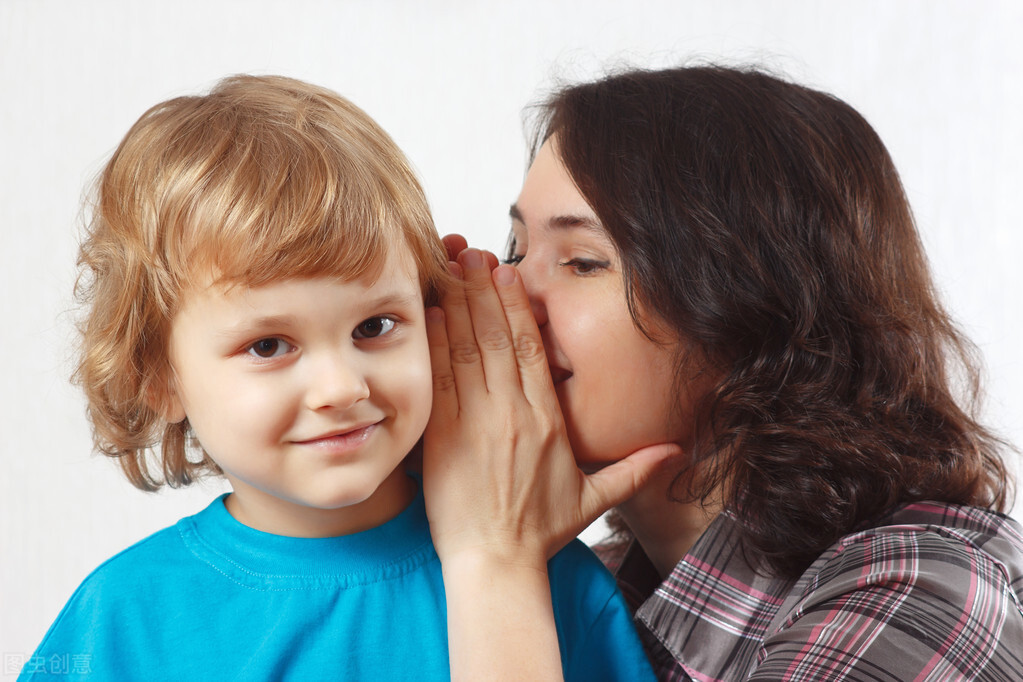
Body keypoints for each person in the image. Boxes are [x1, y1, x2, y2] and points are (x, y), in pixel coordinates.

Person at [21, 75, 655, 681]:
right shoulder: (121, 619)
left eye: (375, 327)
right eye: (268, 344)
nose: (343, 388)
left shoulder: (551, 582)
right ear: (158, 377)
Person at [423, 65, 1023, 681]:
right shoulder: (579, 588)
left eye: (582, 262)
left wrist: (495, 563)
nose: (508, 297)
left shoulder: (920, 600)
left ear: (751, 312)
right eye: (517, 249)